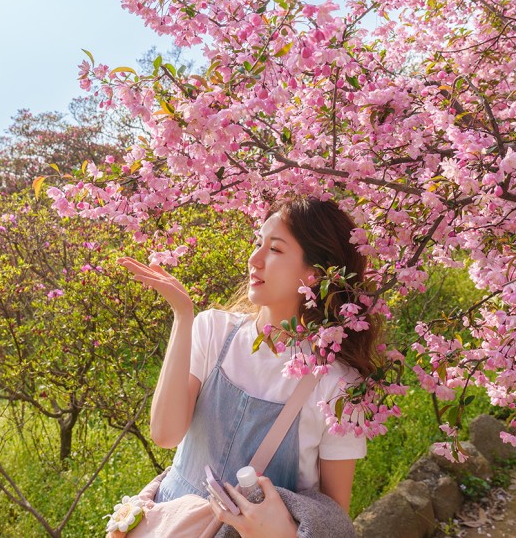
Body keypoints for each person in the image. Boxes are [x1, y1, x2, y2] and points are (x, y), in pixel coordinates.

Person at [117, 196, 381, 537]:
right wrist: (183, 317)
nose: (254, 259)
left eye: (275, 249)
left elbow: (332, 519)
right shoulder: (212, 330)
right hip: (171, 526)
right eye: (258, 243)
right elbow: (165, 435)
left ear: (314, 274)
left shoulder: (338, 384)